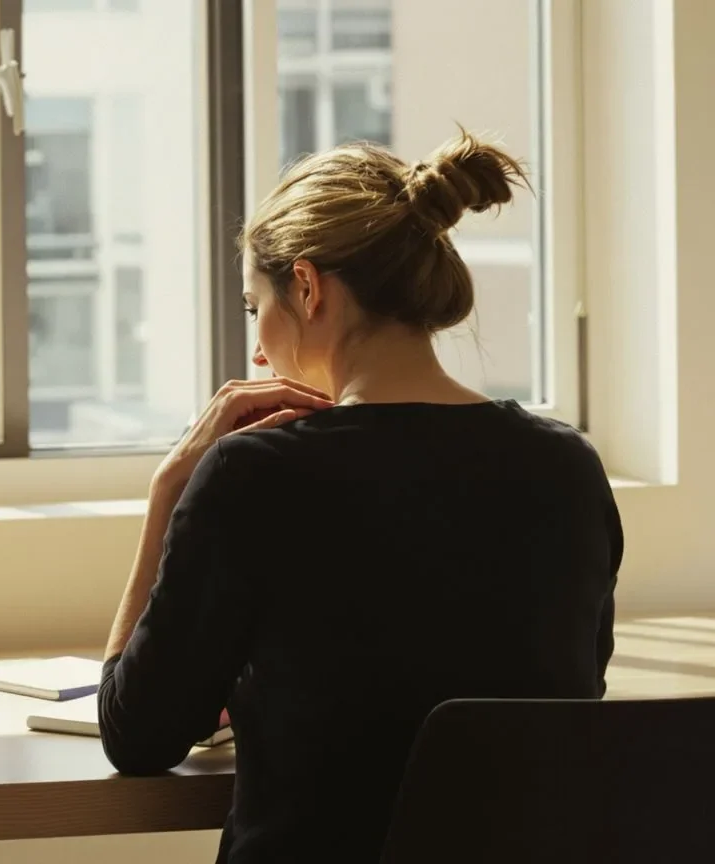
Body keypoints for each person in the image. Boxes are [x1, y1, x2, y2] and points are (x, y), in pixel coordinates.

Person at [96, 130, 623, 863]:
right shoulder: (567, 468)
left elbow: (136, 738)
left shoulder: (253, 477)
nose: (256, 351)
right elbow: (567, 703)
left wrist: (167, 492)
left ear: (307, 288)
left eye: (256, 309)